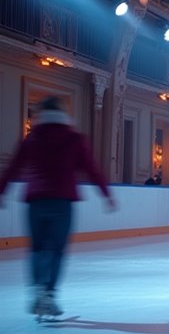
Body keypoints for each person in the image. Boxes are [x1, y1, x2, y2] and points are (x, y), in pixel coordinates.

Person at [0, 96, 116, 320]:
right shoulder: (74, 139)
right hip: (62, 202)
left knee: (37, 248)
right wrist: (106, 195)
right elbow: (92, 169)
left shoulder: (32, 139)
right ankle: (50, 293)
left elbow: (13, 167)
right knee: (57, 250)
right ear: (63, 112)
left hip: (35, 202)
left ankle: (38, 290)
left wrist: (2, 191)